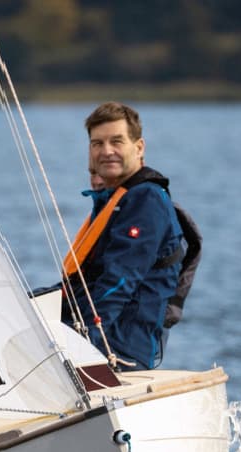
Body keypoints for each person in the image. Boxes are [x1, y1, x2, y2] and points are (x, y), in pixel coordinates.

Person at [61, 102, 187, 371]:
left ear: (138, 147)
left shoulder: (146, 199)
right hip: (98, 335)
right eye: (97, 144)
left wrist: (87, 340)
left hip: (121, 348)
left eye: (116, 141)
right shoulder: (113, 200)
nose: (106, 151)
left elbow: (121, 279)